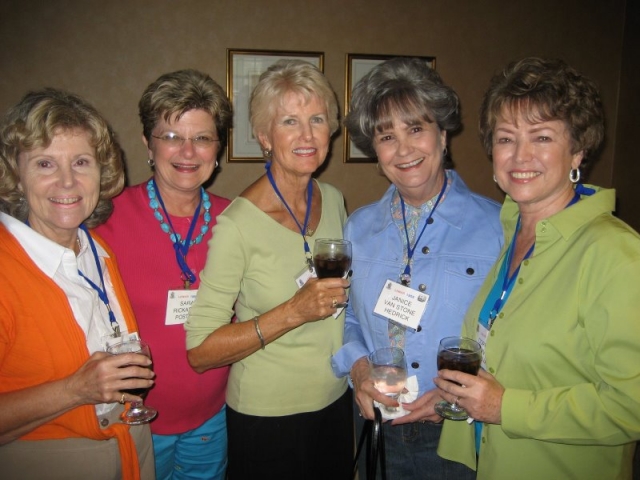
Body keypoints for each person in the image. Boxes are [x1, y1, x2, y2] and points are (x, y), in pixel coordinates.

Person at [436, 57, 640, 479]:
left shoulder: (615, 252)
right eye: (506, 138)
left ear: (577, 152)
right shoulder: (514, 229)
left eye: (542, 137)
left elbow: (631, 404)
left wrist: (506, 407)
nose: (520, 155)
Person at [331, 57, 503, 479]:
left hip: (456, 430)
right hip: (375, 423)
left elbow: (515, 335)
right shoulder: (359, 227)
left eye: (415, 129)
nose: (403, 150)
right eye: (387, 136)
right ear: (375, 151)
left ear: (443, 135)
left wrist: (454, 397)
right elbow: (348, 316)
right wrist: (357, 368)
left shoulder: (497, 227)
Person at [185, 59, 352, 479]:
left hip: (336, 401)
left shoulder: (333, 199)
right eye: (289, 122)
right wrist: (293, 312)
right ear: (263, 135)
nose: (307, 135)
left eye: (317, 119)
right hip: (268, 418)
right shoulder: (238, 224)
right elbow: (200, 351)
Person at [0, 88, 155, 479]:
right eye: (45, 164)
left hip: (130, 446)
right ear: (17, 175)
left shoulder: (95, 248)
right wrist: (76, 389)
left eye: (81, 162)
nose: (67, 182)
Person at [96, 69, 232, 480]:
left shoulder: (235, 219)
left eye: (203, 137)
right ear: (147, 144)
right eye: (172, 136)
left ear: (218, 146)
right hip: (134, 420)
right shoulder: (106, 218)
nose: (188, 152)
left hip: (212, 418)